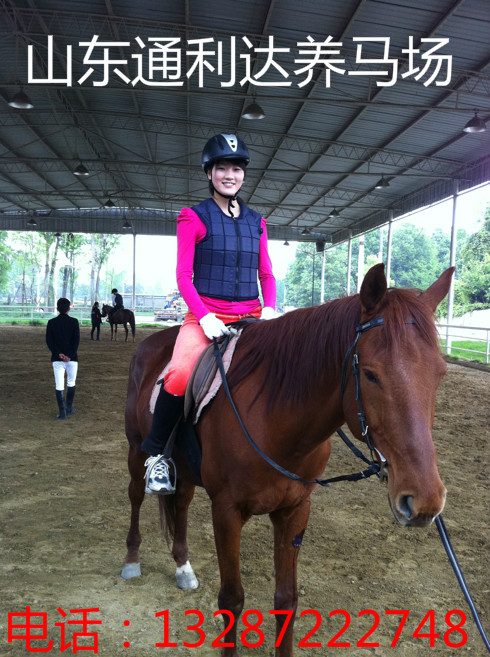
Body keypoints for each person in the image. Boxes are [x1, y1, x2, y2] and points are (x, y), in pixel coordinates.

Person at [141, 133, 277, 495]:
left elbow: (267, 274)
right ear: (209, 173)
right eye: (221, 168)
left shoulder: (257, 222)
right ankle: (156, 457)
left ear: (243, 174)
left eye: (235, 168)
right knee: (181, 374)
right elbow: (183, 277)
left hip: (251, 315)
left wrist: (272, 307)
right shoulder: (192, 217)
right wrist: (203, 316)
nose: (229, 174)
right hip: (207, 314)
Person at [45, 297, 80, 420]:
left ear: (57, 308)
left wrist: (58, 353)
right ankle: (69, 408)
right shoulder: (74, 322)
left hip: (57, 359)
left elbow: (49, 341)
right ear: (68, 309)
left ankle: (62, 413)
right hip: (72, 359)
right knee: (71, 382)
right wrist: (69, 355)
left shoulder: (51, 322)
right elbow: (76, 341)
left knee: (59, 385)